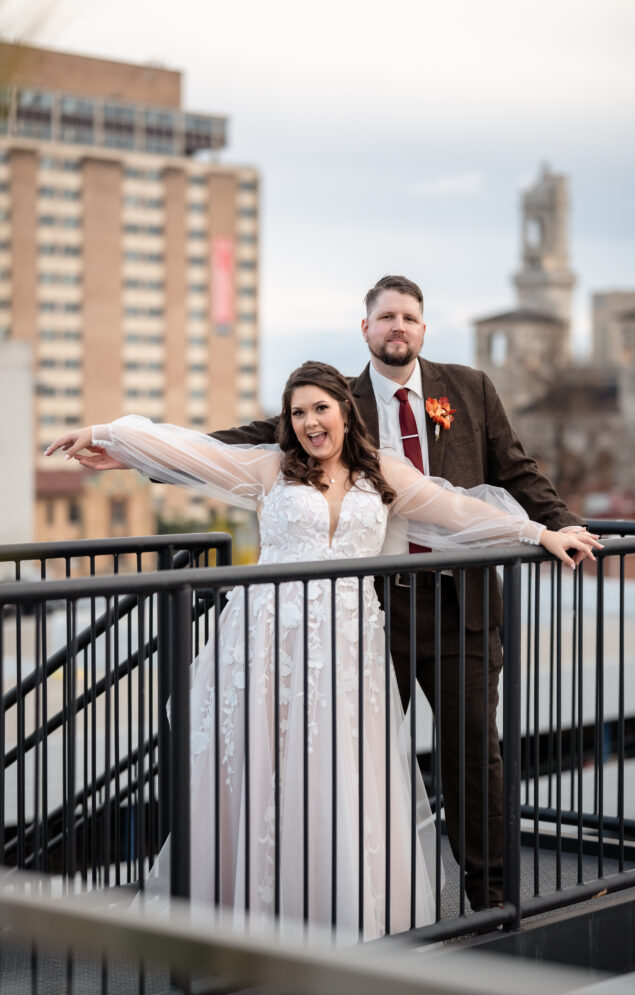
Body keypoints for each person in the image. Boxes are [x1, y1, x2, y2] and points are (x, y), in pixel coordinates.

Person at [46, 362, 599, 938]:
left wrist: (540, 534)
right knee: (266, 771)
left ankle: (339, 915)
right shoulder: (270, 468)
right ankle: (252, 916)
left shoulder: (382, 472)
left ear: (344, 411)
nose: (311, 423)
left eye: (320, 409)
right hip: (269, 640)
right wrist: (112, 437)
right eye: (298, 412)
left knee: (344, 772)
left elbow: (455, 510)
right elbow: (191, 452)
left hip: (350, 645)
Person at [208, 277, 596, 912]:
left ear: (423, 328)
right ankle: (348, 899)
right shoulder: (338, 401)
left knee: (475, 756)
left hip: (461, 607)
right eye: (385, 317)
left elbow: (516, 470)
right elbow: (251, 439)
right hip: (372, 612)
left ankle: (493, 901)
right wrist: (144, 452)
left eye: (409, 318)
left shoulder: (470, 390)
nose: (398, 327)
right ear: (366, 329)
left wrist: (556, 526)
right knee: (356, 756)